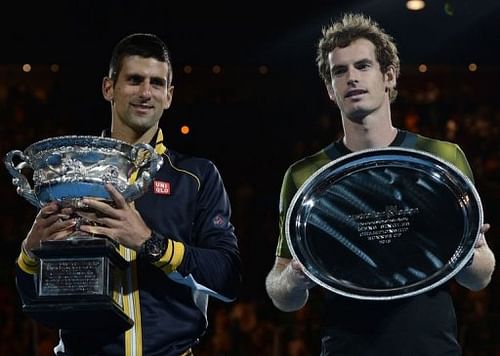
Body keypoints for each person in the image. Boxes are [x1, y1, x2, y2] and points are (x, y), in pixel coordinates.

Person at [265, 13, 495, 355]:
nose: (351, 78)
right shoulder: (306, 175)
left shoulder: (440, 157)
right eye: (339, 71)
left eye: (362, 66)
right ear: (330, 89)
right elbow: (281, 294)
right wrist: (296, 277)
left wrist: (470, 251)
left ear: (388, 76)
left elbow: (478, 278)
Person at [15, 33, 241, 355]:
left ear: (169, 96)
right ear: (109, 88)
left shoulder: (195, 176)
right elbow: (34, 299)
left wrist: (150, 243)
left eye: (157, 83)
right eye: (134, 80)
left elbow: (227, 278)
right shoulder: (70, 172)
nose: (146, 93)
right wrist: (30, 257)